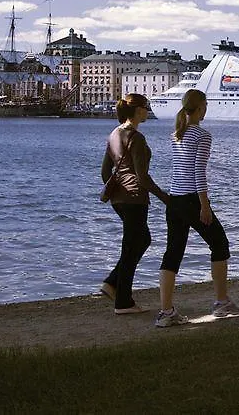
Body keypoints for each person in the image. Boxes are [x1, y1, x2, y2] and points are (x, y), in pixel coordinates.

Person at [155, 88, 239, 327]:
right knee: (220, 244)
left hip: (174, 200)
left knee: (173, 253)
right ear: (201, 107)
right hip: (192, 199)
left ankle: (166, 311)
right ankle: (221, 301)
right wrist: (204, 206)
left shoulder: (177, 134)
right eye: (206, 105)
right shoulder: (202, 136)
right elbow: (198, 172)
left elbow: (181, 171)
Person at [100, 93, 169, 314]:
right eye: (146, 107)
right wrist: (165, 197)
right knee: (132, 246)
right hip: (135, 198)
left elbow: (104, 172)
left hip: (119, 199)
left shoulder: (113, 134)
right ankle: (123, 301)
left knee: (140, 240)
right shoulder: (136, 138)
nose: (148, 111)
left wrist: (117, 191)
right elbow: (142, 177)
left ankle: (112, 283)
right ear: (138, 110)